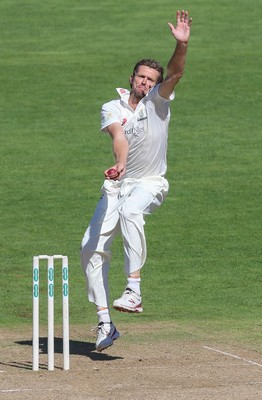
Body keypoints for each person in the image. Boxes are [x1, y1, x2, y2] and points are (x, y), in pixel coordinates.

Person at [81, 9, 192, 352]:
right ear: (131, 78)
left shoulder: (159, 100)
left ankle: (134, 289)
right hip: (118, 184)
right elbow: (119, 136)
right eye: (141, 77)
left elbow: (176, 72)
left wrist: (181, 46)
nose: (145, 83)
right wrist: (119, 165)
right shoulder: (111, 107)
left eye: (150, 79)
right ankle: (104, 324)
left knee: (131, 211)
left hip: (150, 183)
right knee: (89, 249)